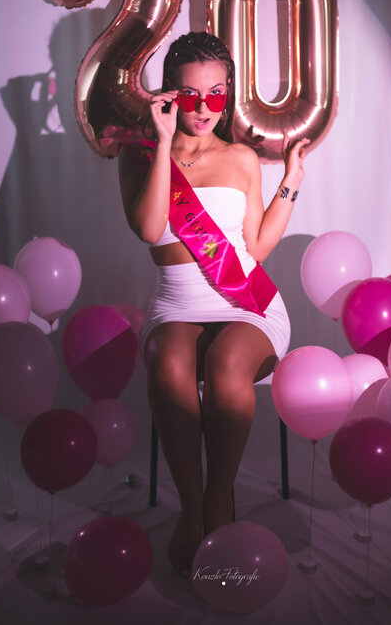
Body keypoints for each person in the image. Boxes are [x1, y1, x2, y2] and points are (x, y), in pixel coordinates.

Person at [118, 31, 308, 577]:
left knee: (227, 362)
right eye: (190, 95)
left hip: (245, 302)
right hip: (176, 305)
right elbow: (148, 227)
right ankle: (191, 508)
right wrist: (161, 142)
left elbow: (258, 246)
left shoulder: (242, 158)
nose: (204, 108)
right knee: (168, 359)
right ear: (169, 93)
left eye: (217, 94)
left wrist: (291, 180)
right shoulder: (137, 156)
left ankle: (219, 497)